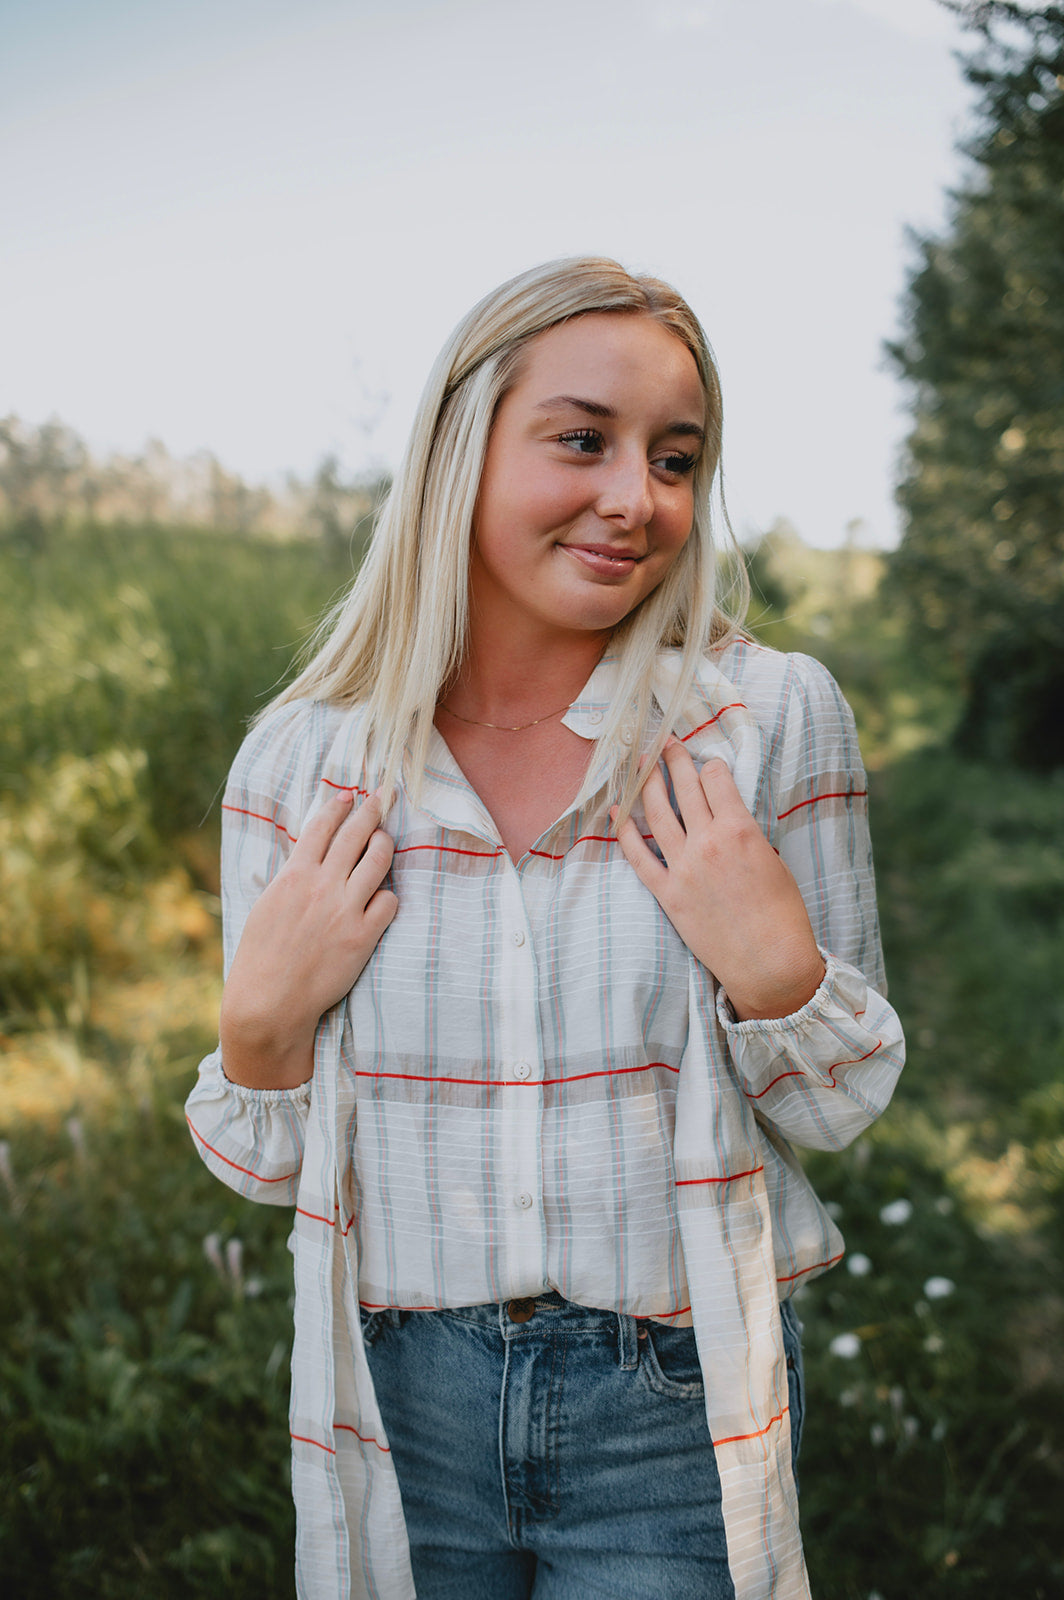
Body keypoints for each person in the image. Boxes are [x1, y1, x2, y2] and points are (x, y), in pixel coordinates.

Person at [186, 257, 904, 1600]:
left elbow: (838, 1103)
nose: (638, 497)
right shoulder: (304, 764)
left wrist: (773, 967)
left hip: (670, 1404)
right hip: (398, 1396)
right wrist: (261, 1023)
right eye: (583, 440)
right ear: (458, 453)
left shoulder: (761, 723)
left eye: (676, 458)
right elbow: (262, 1161)